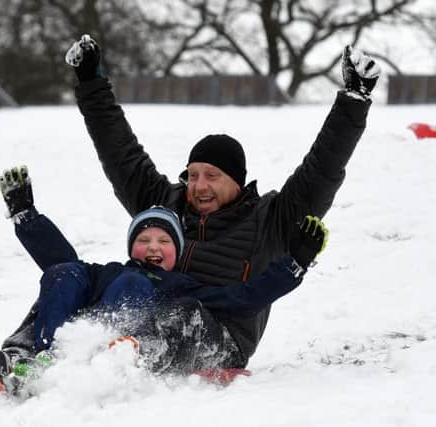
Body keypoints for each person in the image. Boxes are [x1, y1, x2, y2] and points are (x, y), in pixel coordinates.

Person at [65, 35, 380, 364]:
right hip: (141, 323)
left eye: (212, 176)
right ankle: (30, 353)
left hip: (220, 340)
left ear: (236, 182)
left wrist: (353, 101)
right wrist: (91, 82)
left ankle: (121, 360)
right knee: (74, 281)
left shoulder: (270, 219)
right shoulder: (164, 204)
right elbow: (121, 154)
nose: (199, 186)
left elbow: (322, 169)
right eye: (193, 175)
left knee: (187, 313)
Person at [0, 167, 327, 397]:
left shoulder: (181, 285)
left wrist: (294, 264)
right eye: (144, 240)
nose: (153, 247)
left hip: (127, 350)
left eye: (164, 241)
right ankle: (18, 362)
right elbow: (61, 264)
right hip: (64, 343)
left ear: (177, 253)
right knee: (64, 275)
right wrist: (26, 216)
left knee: (140, 292)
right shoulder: (110, 271)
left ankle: (114, 355)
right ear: (131, 246)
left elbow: (243, 298)